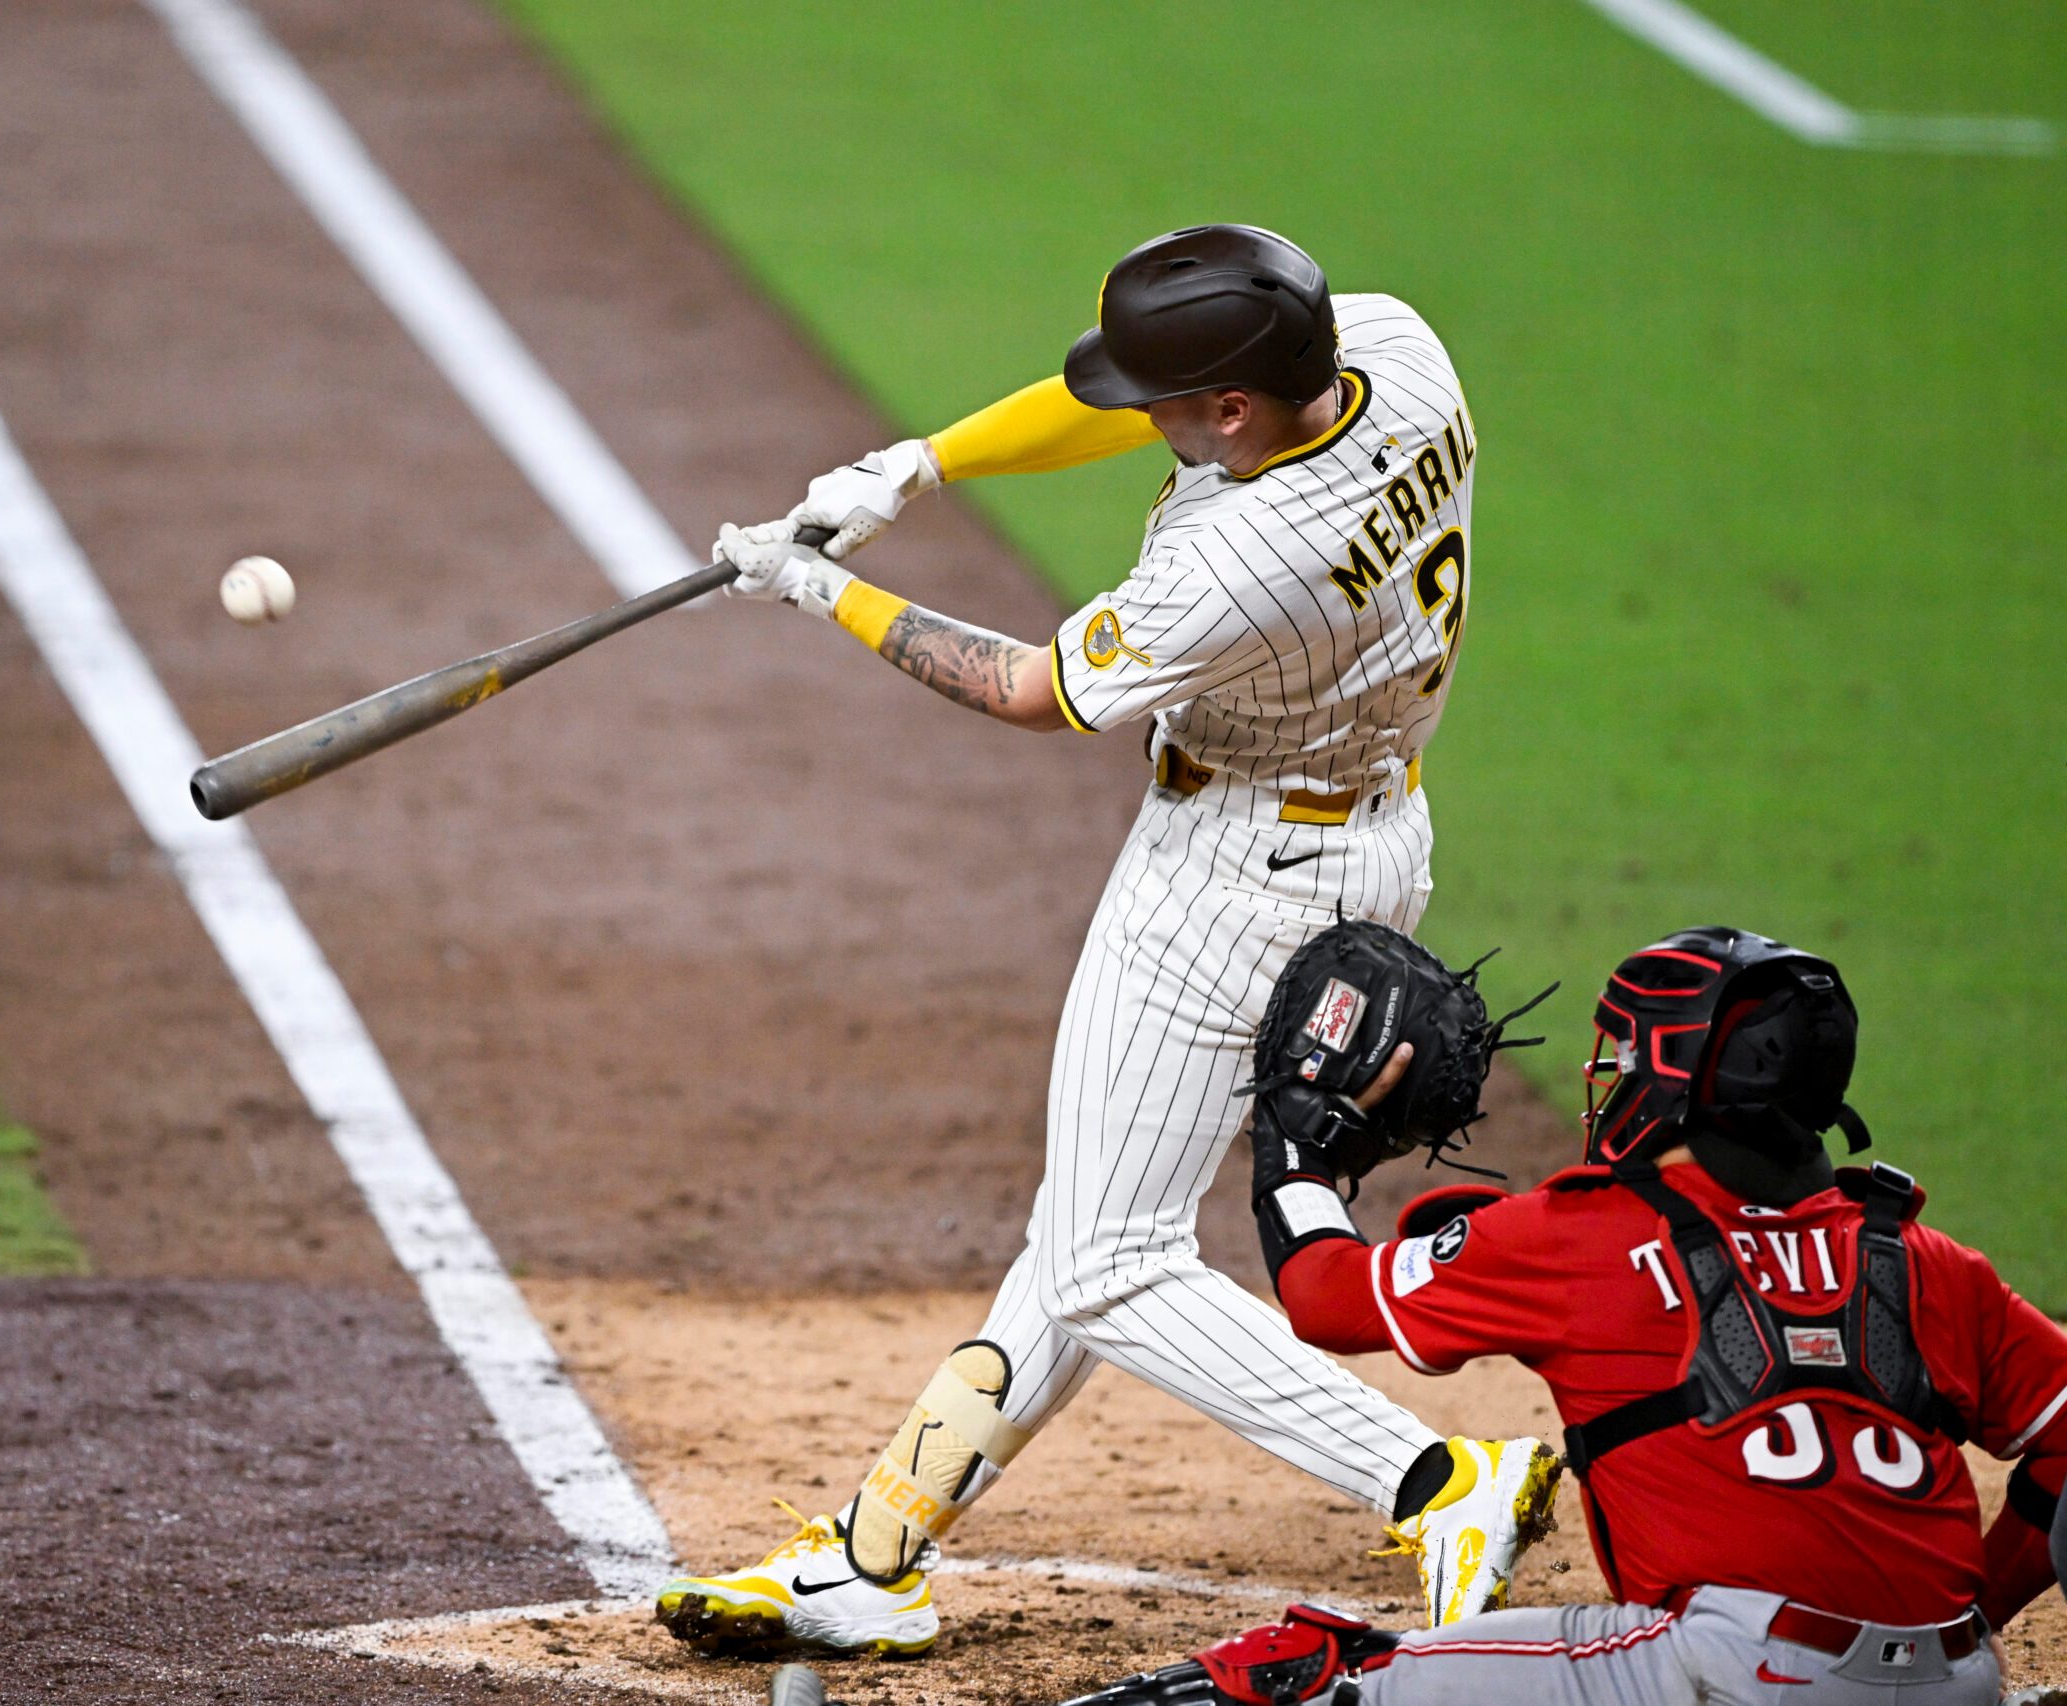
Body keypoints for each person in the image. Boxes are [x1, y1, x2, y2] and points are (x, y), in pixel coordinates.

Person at [651, 224, 1559, 1658]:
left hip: (1233, 873)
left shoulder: (1245, 557)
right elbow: (1130, 396)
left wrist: (822, 589)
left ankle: (1439, 1481)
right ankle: (876, 1554)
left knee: (1109, 1261)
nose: (1141, 419)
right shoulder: (1394, 347)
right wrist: (916, 465)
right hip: (1373, 833)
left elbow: (1027, 687)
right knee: (1096, 1210)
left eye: (1167, 407)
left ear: (1236, 412)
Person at [1080, 924, 2067, 1705]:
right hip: (1958, 1679)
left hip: (1728, 1670)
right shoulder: (1930, 1258)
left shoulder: (1583, 1236)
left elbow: (1325, 1294)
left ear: (1677, 1075)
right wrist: (1972, 1609)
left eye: (1630, 1051)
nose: (1615, 1071)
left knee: (1304, 1670)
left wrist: (1296, 1142)